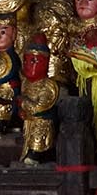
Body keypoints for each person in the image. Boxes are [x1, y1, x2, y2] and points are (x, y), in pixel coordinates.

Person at [17, 35, 60, 165]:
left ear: (45, 63)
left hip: (42, 120)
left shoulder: (48, 86)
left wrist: (23, 102)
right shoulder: (25, 82)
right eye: (25, 61)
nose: (27, 65)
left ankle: (35, 155)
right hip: (28, 120)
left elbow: (39, 107)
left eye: (33, 61)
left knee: (39, 130)